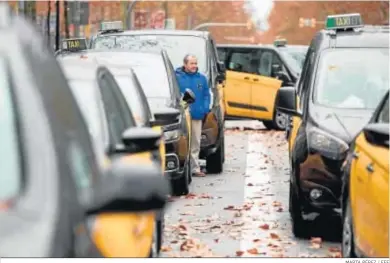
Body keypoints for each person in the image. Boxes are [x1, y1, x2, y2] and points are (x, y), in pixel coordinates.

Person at [175, 54, 210, 177]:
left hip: (196, 116)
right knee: (183, 143)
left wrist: (205, 108)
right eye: (192, 63)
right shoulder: (176, 77)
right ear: (185, 64)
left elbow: (206, 94)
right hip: (182, 116)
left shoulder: (202, 78)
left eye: (195, 63)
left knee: (195, 142)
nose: (194, 66)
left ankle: (195, 168)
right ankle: (182, 167)